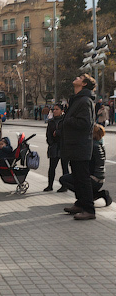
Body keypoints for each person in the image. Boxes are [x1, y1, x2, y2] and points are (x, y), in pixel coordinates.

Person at [61, 73, 96, 220]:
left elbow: (85, 123)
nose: (76, 78)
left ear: (84, 84)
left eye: (80, 77)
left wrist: (67, 120)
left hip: (80, 145)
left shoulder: (84, 101)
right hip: (75, 145)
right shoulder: (78, 100)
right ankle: (80, 203)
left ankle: (89, 209)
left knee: (82, 178)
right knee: (77, 176)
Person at [60, 124, 112, 207]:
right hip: (99, 179)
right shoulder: (99, 144)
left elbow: (87, 166)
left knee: (64, 179)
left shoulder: (90, 146)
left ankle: (88, 198)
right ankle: (95, 195)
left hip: (92, 179)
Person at [43, 103, 69, 192]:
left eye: (56, 109)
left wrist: (57, 133)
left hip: (64, 146)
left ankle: (65, 186)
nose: (54, 111)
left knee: (64, 167)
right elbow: (48, 135)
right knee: (52, 167)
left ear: (62, 111)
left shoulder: (65, 120)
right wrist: (51, 143)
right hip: (54, 146)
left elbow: (66, 133)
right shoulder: (51, 121)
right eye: (53, 109)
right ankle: (50, 185)